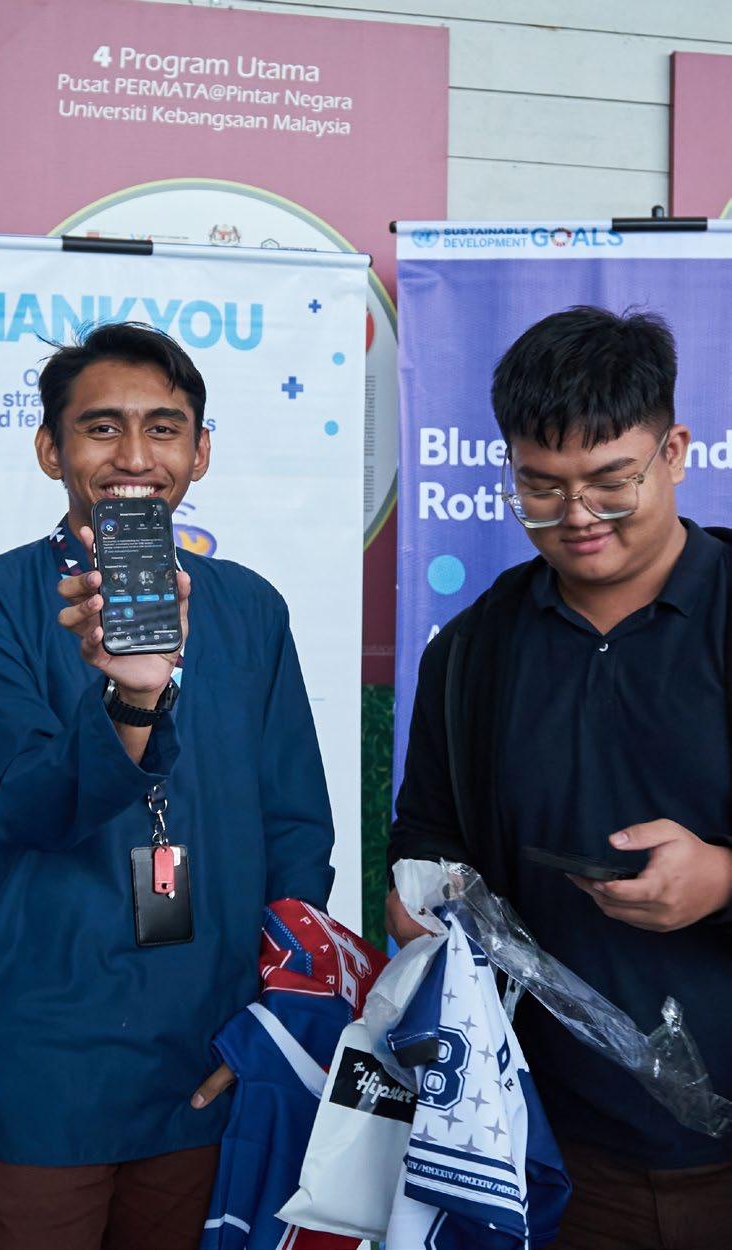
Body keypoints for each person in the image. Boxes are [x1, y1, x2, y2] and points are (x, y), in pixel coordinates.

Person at [0, 322, 335, 1250]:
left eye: (164, 428)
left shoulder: (250, 606)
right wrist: (130, 698)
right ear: (51, 449)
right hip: (44, 1059)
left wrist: (278, 1013)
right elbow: (28, 808)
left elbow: (295, 826)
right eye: (102, 427)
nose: (135, 457)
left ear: (200, 452)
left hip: (208, 1051)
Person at [386, 307, 732, 1250]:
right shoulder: (472, 653)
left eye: (611, 484)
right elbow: (426, 837)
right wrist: (419, 900)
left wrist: (722, 879)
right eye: (541, 488)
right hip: (551, 1150)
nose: (577, 517)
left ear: (675, 453)